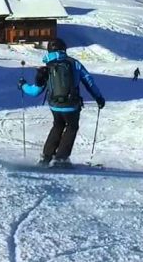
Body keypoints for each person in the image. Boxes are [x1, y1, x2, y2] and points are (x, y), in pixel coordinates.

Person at [19, 37, 105, 166]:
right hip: (71, 105)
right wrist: (98, 98)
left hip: (54, 106)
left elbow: (35, 91)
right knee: (71, 127)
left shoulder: (47, 67)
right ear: (64, 49)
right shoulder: (74, 63)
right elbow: (89, 81)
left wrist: (23, 86)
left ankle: (46, 157)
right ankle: (61, 158)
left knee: (57, 125)